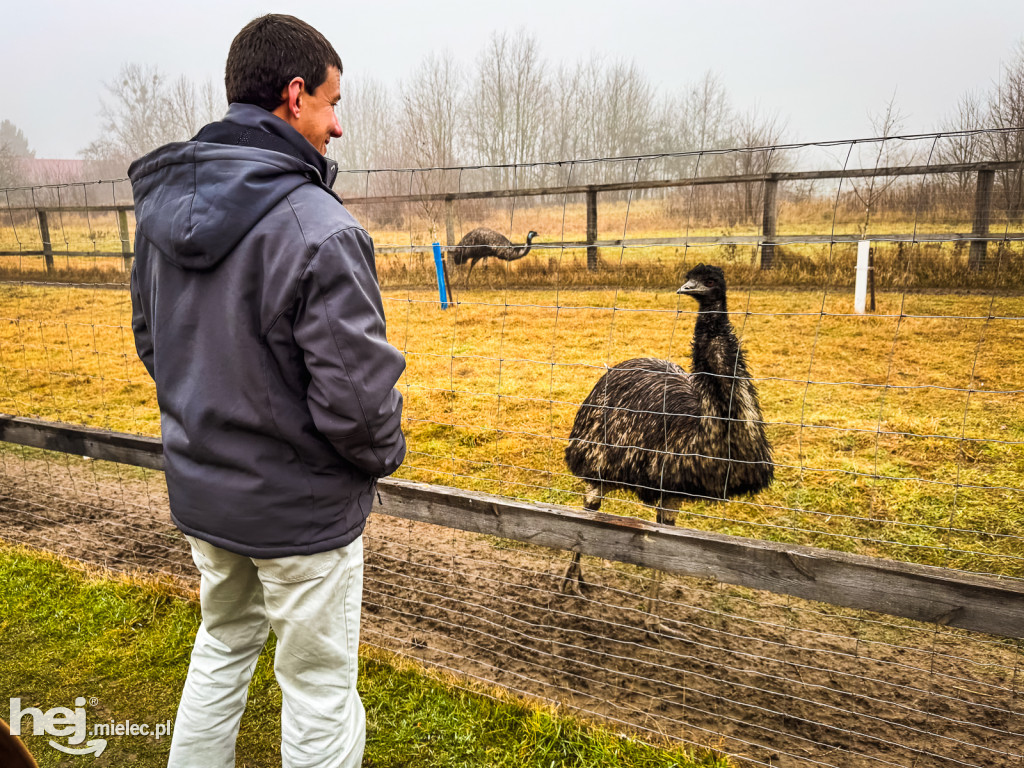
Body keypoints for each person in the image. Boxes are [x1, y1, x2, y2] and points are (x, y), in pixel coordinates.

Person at [128, 14, 406, 768]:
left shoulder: (158, 219)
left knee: (220, 646)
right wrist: (380, 456)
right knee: (317, 686)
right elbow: (358, 403)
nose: (338, 125)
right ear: (294, 95)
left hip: (205, 498)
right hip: (301, 514)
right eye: (331, 101)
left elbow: (156, 345)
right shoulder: (319, 228)